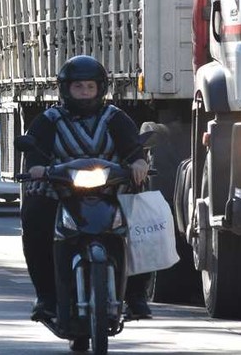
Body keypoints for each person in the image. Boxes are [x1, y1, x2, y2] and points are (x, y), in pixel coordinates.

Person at [21, 55, 153, 324]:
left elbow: (133, 149)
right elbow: (35, 152)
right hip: (61, 192)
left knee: (143, 219)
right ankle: (46, 296)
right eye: (78, 88)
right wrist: (36, 168)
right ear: (65, 89)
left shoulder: (115, 118)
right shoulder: (50, 120)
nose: (84, 94)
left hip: (110, 191)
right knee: (34, 215)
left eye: (90, 87)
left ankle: (136, 295)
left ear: (100, 89)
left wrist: (139, 163)